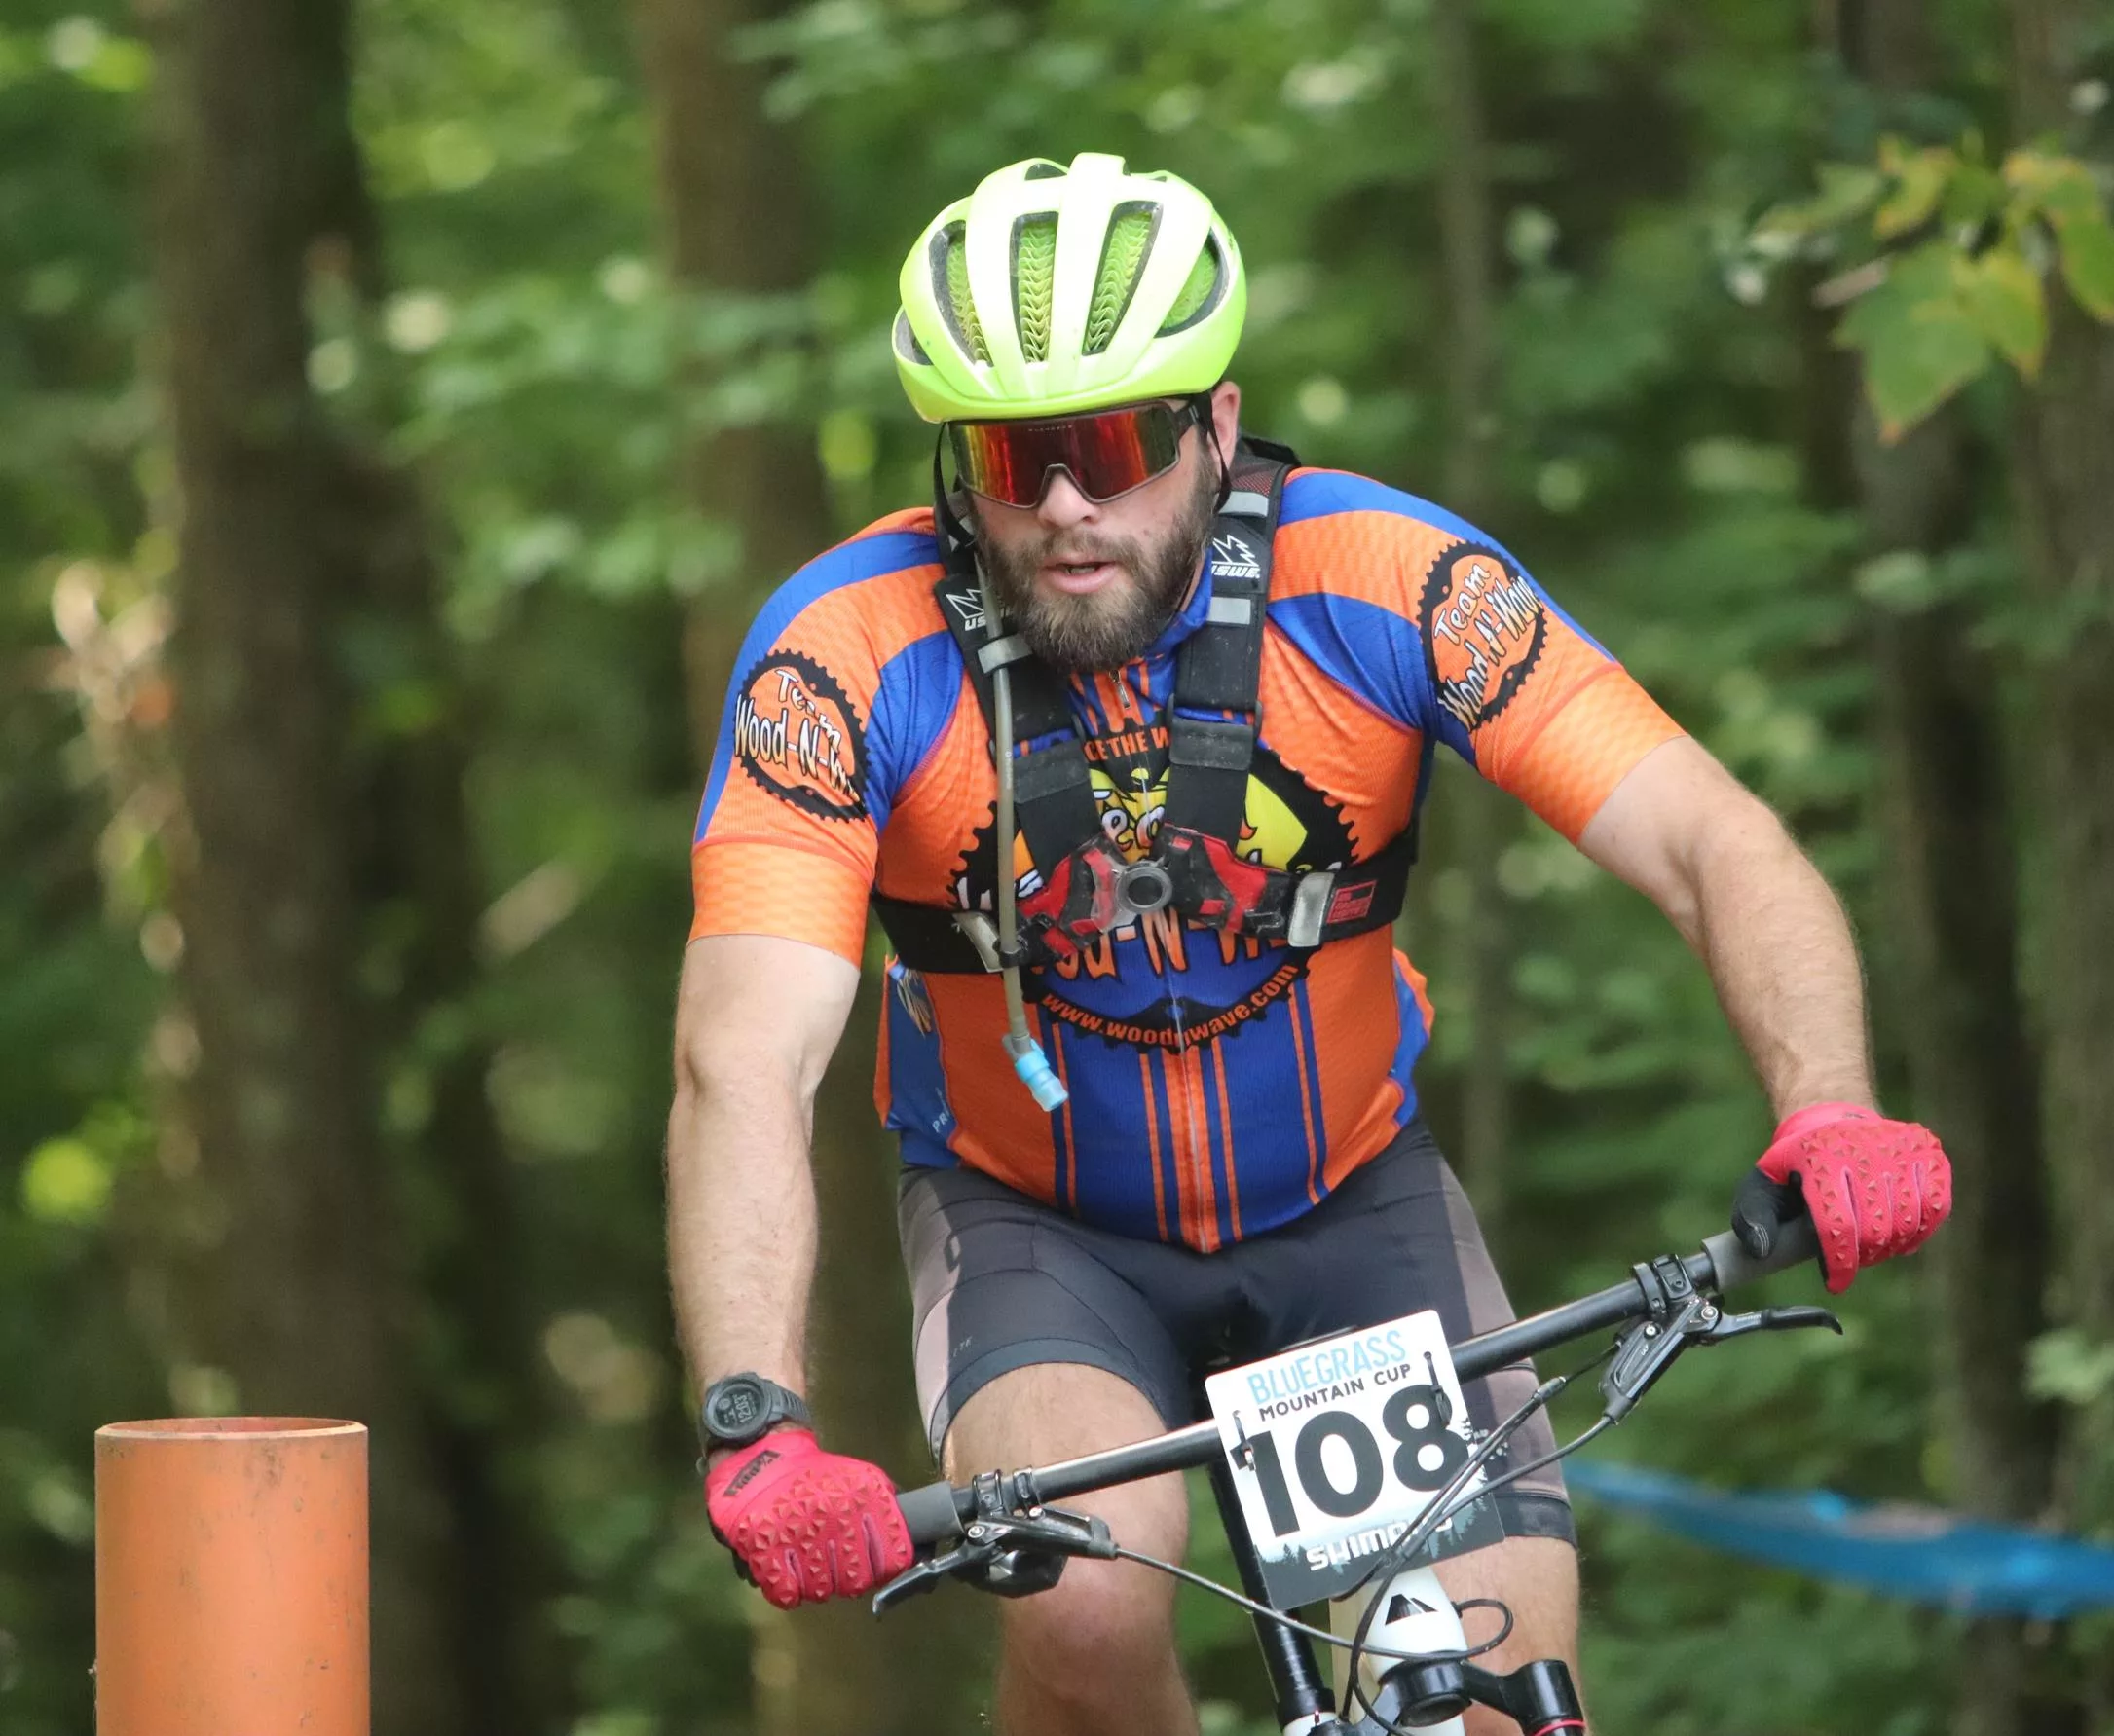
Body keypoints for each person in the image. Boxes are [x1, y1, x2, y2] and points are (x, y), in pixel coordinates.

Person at [668, 151, 1951, 1736]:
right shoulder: (841, 654)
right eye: (1014, 455)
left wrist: (1828, 1099)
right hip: (1036, 1230)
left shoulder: (1383, 579)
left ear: (1213, 422)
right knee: (1085, 1596)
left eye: (1116, 443)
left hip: (1353, 1211)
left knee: (1472, 1694)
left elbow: (1710, 839)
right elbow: (744, 1048)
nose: (1065, 503)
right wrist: (757, 1421)